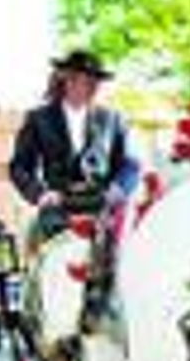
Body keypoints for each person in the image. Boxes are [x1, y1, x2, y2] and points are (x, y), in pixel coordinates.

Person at [9, 49, 140, 245]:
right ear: (67, 80)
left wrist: (119, 188)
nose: (94, 89)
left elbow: (130, 163)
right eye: (87, 82)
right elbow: (19, 167)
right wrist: (40, 194)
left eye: (96, 83)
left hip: (103, 205)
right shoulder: (38, 119)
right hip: (58, 207)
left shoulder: (112, 118)